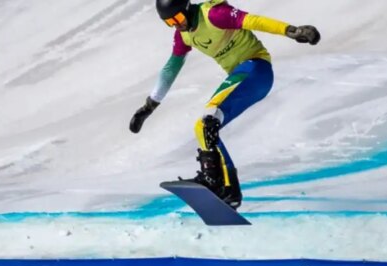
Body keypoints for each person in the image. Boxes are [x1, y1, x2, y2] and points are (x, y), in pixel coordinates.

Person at [130, 0, 320, 209]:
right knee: (203, 127)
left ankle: (216, 182)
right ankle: (227, 189)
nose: (176, 24)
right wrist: (150, 106)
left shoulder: (213, 14)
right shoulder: (183, 35)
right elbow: (171, 68)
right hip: (244, 77)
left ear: (186, 8)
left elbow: (253, 21)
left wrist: (291, 31)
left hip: (255, 69)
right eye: (169, 22)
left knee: (208, 121)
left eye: (178, 18)